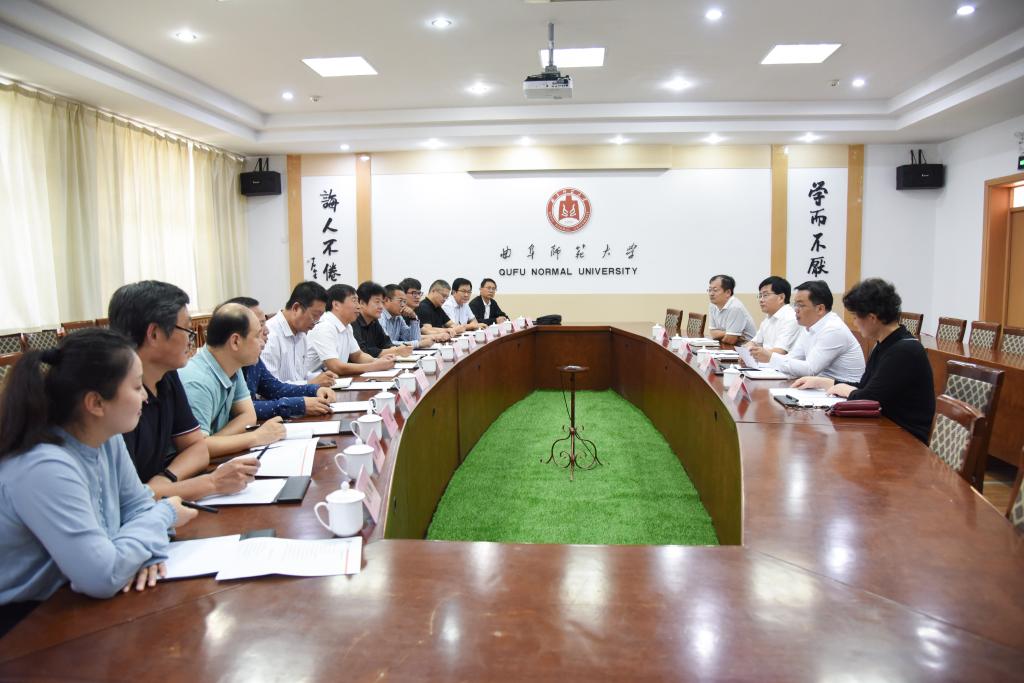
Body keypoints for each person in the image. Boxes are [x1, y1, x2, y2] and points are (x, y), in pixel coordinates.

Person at [0, 329, 197, 634]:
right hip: (24, 625)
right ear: (95, 403)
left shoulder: (106, 437)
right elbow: (102, 576)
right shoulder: (45, 466)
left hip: (73, 602)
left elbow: (139, 507)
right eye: (136, 386)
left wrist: (144, 553)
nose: (146, 396)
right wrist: (167, 514)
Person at [109, 281, 256, 500]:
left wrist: (167, 478)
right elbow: (130, 497)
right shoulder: (114, 397)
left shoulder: (167, 376)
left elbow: (198, 449)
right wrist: (212, 483)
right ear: (154, 334)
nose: (191, 339)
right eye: (187, 329)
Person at [793, 279, 935, 443]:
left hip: (905, 437)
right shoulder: (885, 343)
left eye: (855, 317)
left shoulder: (904, 350)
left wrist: (845, 389)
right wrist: (825, 383)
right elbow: (866, 386)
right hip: (884, 426)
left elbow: (869, 398)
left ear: (872, 318)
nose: (854, 323)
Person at [178, 303, 285, 458]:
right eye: (257, 336)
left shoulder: (232, 364)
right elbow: (194, 449)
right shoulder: (197, 382)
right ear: (235, 341)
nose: (262, 342)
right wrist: (256, 437)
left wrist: (214, 442)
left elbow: (248, 415)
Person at [225, 297, 334, 420]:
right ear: (235, 339)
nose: (267, 331)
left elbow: (275, 388)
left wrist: (314, 390)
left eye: (264, 323)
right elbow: (243, 410)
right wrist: (299, 405)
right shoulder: (224, 367)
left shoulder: (251, 360)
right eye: (260, 325)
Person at [769, 280, 866, 384]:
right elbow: (793, 358)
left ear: (820, 309)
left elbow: (810, 370)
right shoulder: (808, 326)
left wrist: (770, 357)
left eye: (801, 305)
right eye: (795, 304)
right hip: (822, 385)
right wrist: (769, 358)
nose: (796, 310)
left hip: (845, 388)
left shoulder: (833, 329)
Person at [305, 284, 396, 377]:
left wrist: (379, 361)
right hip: (314, 383)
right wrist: (374, 366)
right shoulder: (324, 327)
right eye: (354, 301)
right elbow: (336, 367)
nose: (359, 306)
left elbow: (358, 355)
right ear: (336, 305)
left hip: (336, 380)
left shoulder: (347, 326)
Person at [262, 281, 336, 387]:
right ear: (296, 308)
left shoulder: (302, 334)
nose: (316, 322)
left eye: (320, 316)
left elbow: (302, 376)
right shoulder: (269, 335)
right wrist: (310, 383)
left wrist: (322, 377)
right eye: (315, 315)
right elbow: (270, 387)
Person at [352, 281, 414, 358]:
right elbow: (362, 352)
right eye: (377, 302)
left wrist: (399, 349)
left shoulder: (374, 321)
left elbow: (386, 344)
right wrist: (396, 351)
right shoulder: (353, 321)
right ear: (362, 303)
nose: (381, 306)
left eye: (382, 302)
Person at [749, 276, 801, 363]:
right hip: (765, 364)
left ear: (781, 298)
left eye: (765, 295)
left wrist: (751, 356)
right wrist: (746, 353)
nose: (761, 300)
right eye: (760, 295)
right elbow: (754, 342)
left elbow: (780, 352)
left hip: (780, 366)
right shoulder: (768, 318)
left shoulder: (790, 318)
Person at [381, 284, 438, 349]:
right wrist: (418, 344)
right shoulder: (380, 316)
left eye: (404, 301)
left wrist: (413, 318)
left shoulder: (398, 317)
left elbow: (413, 339)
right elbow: (386, 343)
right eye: (400, 301)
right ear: (386, 300)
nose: (403, 305)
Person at [707, 274, 757, 344]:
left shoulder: (735, 307)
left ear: (728, 292)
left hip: (745, 347)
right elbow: (713, 334)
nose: (711, 294)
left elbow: (730, 340)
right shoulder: (712, 305)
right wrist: (728, 333)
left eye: (715, 290)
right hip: (729, 346)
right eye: (709, 290)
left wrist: (727, 335)